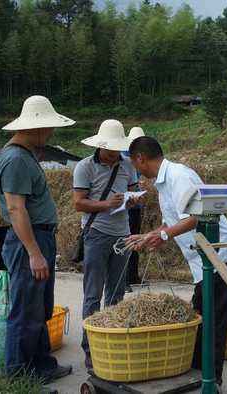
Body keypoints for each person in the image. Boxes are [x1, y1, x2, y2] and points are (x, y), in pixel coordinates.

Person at [124, 136, 227, 391]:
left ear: (140, 159)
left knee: (213, 319)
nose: (137, 170)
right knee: (201, 314)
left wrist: (164, 234)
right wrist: (152, 235)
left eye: (135, 165)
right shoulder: (165, 182)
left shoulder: (179, 176)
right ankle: (199, 372)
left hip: (218, 255)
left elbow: (199, 215)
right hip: (203, 259)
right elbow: (175, 221)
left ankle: (212, 379)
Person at [0, 95, 73, 385]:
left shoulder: (25, 155)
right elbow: (16, 209)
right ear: (36, 128)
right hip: (29, 241)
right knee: (25, 310)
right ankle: (18, 377)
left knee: (39, 308)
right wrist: (34, 252)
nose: (51, 133)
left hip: (39, 237)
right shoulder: (15, 159)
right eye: (49, 128)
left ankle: (41, 365)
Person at [72, 119, 141, 369]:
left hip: (122, 234)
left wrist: (132, 200)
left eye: (117, 147)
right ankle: (90, 347)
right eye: (110, 147)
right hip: (96, 234)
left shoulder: (127, 166)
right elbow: (79, 203)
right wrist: (106, 205)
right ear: (100, 145)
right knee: (93, 294)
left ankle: (111, 341)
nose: (114, 152)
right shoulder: (84, 167)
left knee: (117, 292)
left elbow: (134, 191)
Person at [122, 127, 146, 291]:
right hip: (125, 206)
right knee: (126, 242)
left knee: (135, 240)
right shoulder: (124, 159)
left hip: (135, 205)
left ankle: (133, 276)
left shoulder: (140, 157)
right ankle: (124, 280)